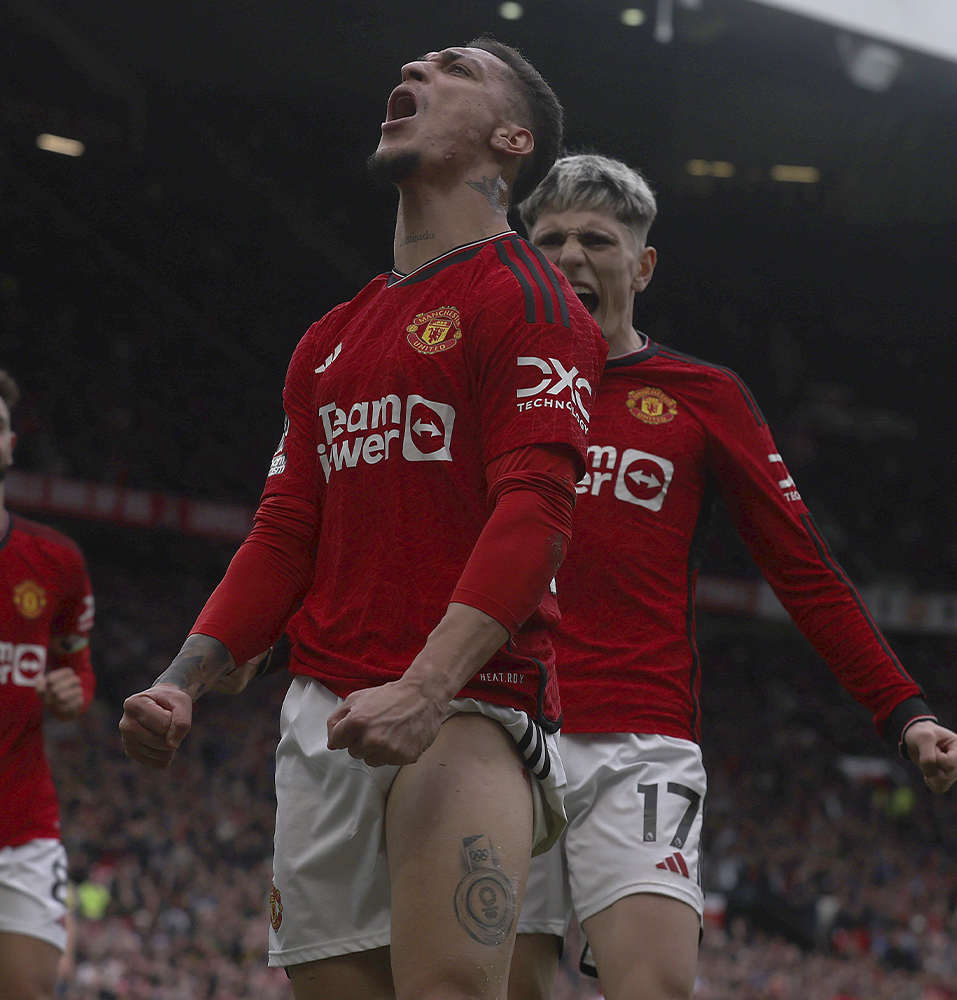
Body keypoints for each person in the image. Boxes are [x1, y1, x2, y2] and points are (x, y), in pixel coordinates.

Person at [119, 38, 607, 1000]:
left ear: (511, 141)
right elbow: (284, 530)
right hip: (325, 715)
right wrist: (183, 680)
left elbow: (534, 513)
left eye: (455, 69)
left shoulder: (531, 299)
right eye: (417, 65)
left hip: (467, 702)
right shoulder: (329, 339)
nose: (419, 71)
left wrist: (427, 688)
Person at [507, 154, 957, 1000]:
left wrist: (904, 710)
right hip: (501, 724)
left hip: (637, 738)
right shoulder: (491, 391)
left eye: (597, 240)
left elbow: (805, 572)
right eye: (552, 239)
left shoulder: (701, 396)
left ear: (641, 265)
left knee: (655, 986)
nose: (573, 255)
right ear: (526, 260)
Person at [0, 370, 96, 1000]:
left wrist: (72, 693)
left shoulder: (54, 561)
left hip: (21, 827)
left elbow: (77, 668)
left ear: (10, 443)